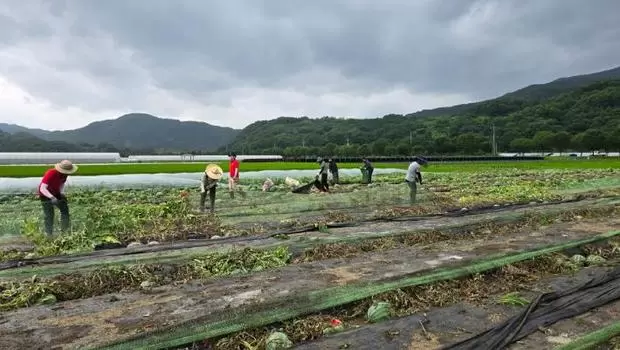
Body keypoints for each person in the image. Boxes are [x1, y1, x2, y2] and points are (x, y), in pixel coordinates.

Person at [38, 160, 78, 236]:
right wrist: (52, 198)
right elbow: (42, 188)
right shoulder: (51, 173)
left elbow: (61, 184)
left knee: (65, 211)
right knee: (49, 214)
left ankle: (64, 231)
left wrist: (61, 194)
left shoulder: (65, 175)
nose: (66, 174)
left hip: (56, 193)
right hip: (45, 194)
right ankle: (48, 234)